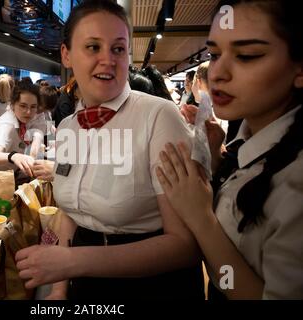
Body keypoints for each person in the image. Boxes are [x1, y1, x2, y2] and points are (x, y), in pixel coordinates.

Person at [15, 0, 204, 300]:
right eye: (93, 47)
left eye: (118, 49)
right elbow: (70, 211)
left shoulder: (159, 117)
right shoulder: (67, 128)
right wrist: (60, 288)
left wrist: (73, 261)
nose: (108, 60)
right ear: (66, 54)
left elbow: (186, 246)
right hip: (86, 281)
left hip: (152, 285)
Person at [156, 0, 303, 299]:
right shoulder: (248, 145)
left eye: (247, 56)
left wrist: (200, 218)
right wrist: (216, 161)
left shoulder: (296, 182)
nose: (218, 72)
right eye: (215, 54)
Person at [0, 82, 46, 178]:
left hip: (13, 175)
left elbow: (37, 136)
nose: (28, 112)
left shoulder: (26, 118)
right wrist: (14, 156)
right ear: (13, 104)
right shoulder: (6, 125)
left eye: (33, 107)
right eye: (23, 106)